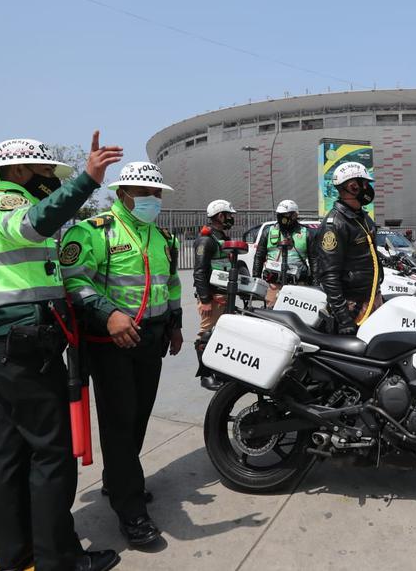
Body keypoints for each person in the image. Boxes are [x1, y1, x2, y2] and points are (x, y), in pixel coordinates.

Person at [0, 135, 122, 571]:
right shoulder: (8, 205)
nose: (50, 180)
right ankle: (61, 561)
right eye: (46, 172)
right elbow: (36, 224)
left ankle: (16, 553)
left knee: (10, 452)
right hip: (26, 348)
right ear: (18, 172)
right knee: (53, 453)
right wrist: (87, 179)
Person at [59, 162, 182, 548]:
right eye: (145, 193)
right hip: (111, 343)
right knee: (118, 422)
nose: (153, 200)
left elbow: (171, 282)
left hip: (152, 339)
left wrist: (175, 324)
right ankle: (131, 512)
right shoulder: (95, 232)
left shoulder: (164, 238)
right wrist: (107, 314)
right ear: (123, 194)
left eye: (157, 193)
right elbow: (72, 279)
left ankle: (117, 479)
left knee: (139, 415)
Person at [316, 162, 382, 334]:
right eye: (365, 183)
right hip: (353, 307)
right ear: (353, 187)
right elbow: (329, 276)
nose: (368, 188)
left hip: (372, 299)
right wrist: (344, 318)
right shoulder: (335, 224)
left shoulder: (363, 218)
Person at [192, 199, 236, 389]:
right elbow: (199, 272)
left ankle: (220, 372)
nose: (231, 218)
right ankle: (206, 375)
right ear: (220, 216)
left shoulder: (221, 237)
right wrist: (205, 299)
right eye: (229, 215)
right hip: (212, 298)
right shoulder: (206, 239)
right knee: (206, 335)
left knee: (222, 335)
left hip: (224, 296)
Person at [252, 199, 314, 305]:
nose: (282, 218)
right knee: (271, 316)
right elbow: (259, 256)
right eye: (279, 214)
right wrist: (256, 280)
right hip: (273, 284)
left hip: (299, 284)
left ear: (295, 215)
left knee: (296, 316)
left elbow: (315, 260)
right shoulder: (268, 232)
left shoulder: (306, 233)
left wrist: (315, 283)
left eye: (285, 214)